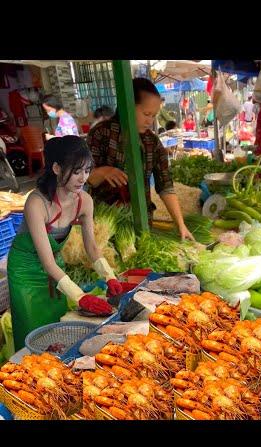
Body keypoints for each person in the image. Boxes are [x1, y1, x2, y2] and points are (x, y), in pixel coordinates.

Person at [7, 136, 122, 350]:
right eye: (76, 171)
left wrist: (110, 276)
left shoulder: (84, 201)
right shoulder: (36, 203)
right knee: (31, 330)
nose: (83, 178)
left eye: (87, 171)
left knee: (57, 327)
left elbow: (92, 248)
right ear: (57, 168)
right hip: (26, 270)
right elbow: (47, 263)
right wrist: (80, 297)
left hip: (55, 269)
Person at [87, 78, 194, 240]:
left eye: (154, 115)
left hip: (142, 224)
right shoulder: (101, 133)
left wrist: (180, 225)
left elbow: (165, 186)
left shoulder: (152, 142)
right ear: (127, 106)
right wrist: (103, 172)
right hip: (104, 228)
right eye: (146, 114)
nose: (150, 121)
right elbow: (84, 180)